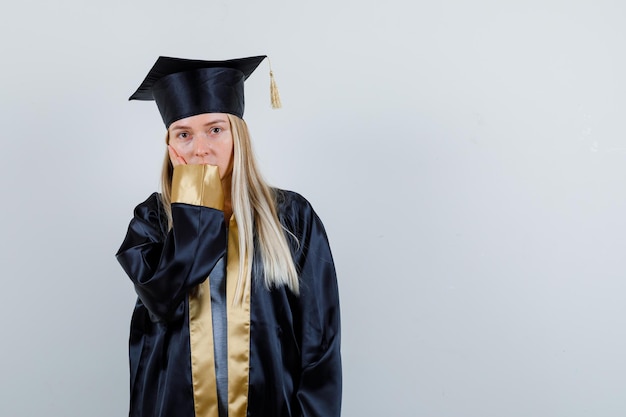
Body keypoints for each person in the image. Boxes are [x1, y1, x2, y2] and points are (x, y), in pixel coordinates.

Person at [115, 55, 342, 417]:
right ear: (170, 145)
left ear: (239, 134)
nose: (200, 148)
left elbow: (320, 339)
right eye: (184, 134)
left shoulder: (291, 216)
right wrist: (194, 199)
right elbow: (163, 301)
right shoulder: (153, 221)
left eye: (215, 129)